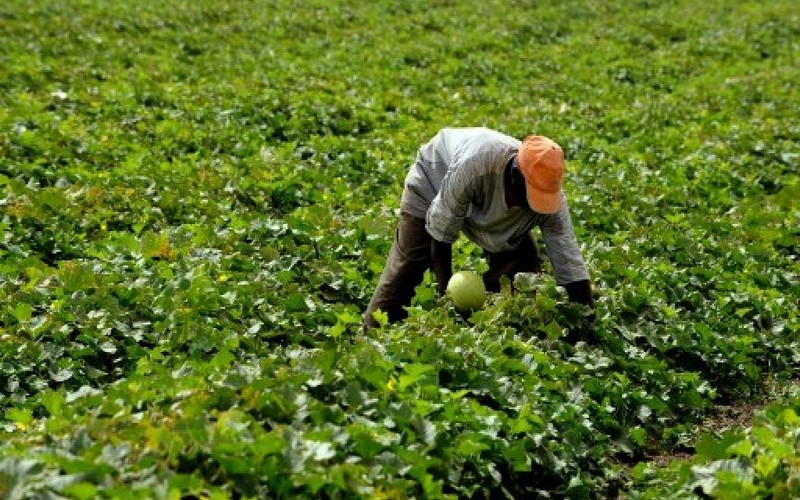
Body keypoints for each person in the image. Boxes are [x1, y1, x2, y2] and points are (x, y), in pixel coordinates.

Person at [363, 127, 594, 330]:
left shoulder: (551, 200)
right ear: (515, 176)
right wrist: (446, 294)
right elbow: (441, 233)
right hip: (434, 177)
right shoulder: (476, 163)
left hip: (482, 202)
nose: (537, 205)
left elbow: (570, 264)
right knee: (410, 264)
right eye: (534, 197)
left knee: (523, 271)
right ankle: (372, 336)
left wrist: (587, 320)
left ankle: (484, 320)